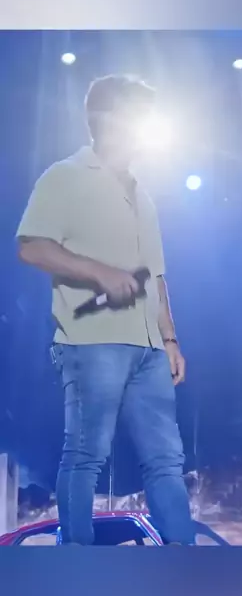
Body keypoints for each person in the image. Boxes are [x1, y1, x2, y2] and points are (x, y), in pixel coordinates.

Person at [16, 74, 195, 545]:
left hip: (150, 349)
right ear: (109, 118)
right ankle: (78, 560)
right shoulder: (65, 176)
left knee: (166, 461)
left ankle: (187, 560)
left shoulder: (143, 194)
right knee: (85, 457)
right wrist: (97, 271)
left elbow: (156, 276)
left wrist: (170, 338)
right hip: (91, 341)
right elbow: (31, 246)